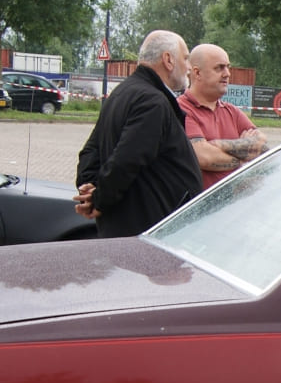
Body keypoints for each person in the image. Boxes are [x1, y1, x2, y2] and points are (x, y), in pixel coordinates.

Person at [74, 30, 202, 237]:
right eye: (185, 58)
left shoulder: (122, 92)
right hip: (145, 229)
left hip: (127, 227)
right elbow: (126, 160)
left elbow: (91, 151)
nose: (188, 67)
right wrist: (98, 200)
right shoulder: (152, 102)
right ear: (168, 60)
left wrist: (88, 187)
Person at [178, 43, 268, 189]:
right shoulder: (181, 109)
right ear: (197, 73)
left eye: (227, 67)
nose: (227, 73)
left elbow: (261, 145)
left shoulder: (231, 111)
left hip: (234, 207)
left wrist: (217, 145)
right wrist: (243, 157)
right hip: (200, 208)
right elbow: (203, 157)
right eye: (219, 68)